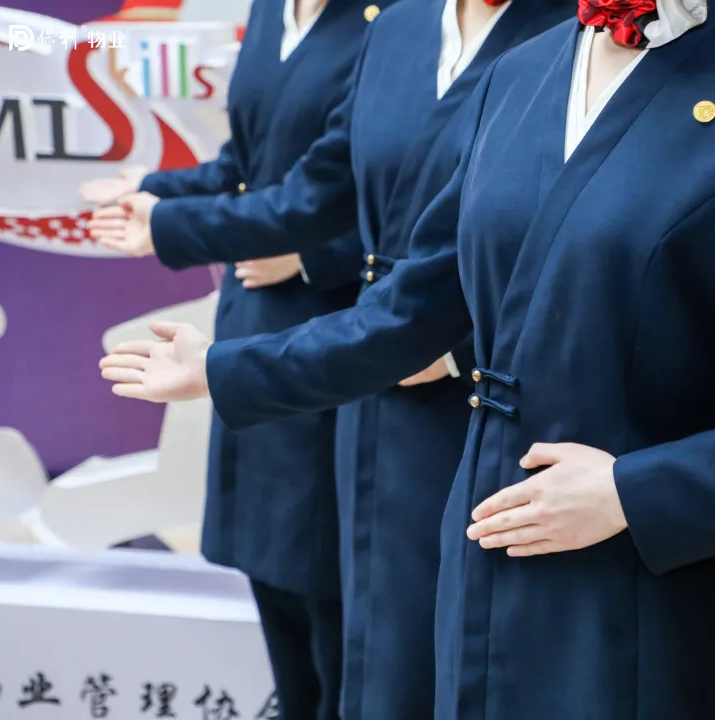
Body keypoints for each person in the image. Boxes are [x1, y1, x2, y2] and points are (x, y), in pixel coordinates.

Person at [99, 0, 715, 717]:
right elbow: (411, 311)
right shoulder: (522, 72)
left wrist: (636, 492)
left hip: (659, 589)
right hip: (481, 556)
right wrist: (229, 368)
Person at [90, 0, 575, 716]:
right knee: (360, 647)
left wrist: (453, 344)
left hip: (480, 396)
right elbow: (320, 184)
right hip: (366, 373)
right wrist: (166, 213)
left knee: (446, 655)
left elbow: (581, 233)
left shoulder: (574, 34)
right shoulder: (404, 24)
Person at [80, 1, 387, 718]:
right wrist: (153, 190)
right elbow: (248, 164)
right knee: (272, 574)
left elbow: (406, 198)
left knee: (329, 589)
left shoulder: (392, 22)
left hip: (333, 337)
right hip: (253, 321)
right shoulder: (273, 10)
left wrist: (311, 257)